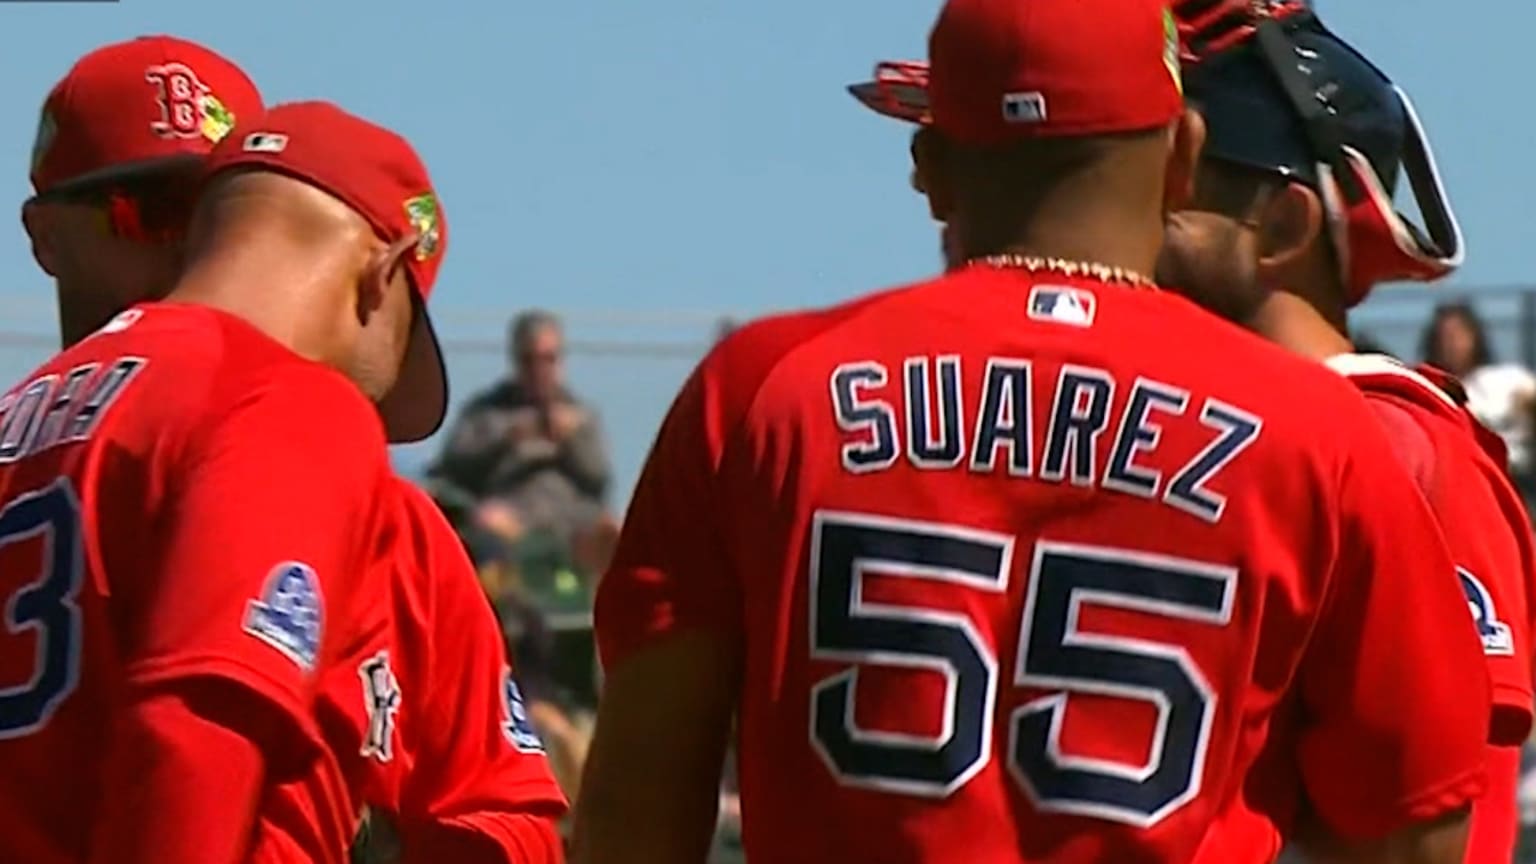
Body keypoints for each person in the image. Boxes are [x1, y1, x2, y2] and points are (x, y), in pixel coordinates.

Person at [575, 1, 1490, 862]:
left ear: (930, 168)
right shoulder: (1317, 429)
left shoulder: (760, 389)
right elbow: (1418, 831)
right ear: (1182, 155)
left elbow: (635, 812)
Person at [847, 4, 1536, 861]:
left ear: (1282, 228)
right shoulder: (1144, 428)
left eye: (1153, 183)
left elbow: (1438, 825)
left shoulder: (1395, 441)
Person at [15, 43, 566, 859]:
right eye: (150, 213)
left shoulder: (387, 514)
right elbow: (194, 736)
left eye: (205, 207)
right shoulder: (286, 407)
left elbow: (503, 813)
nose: (185, 248)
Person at [430, 310, 615, 566]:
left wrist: (573, 442)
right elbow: (451, 468)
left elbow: (600, 480)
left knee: (612, 533)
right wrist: (507, 438)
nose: (539, 370)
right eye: (530, 360)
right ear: (516, 360)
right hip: (509, 517)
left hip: (570, 522)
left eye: (548, 359)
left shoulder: (581, 415)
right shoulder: (487, 412)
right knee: (487, 528)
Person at [1422, 301, 1536, 494]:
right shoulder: (1427, 390)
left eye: (1458, 335)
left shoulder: (1507, 379)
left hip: (1516, 478)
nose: (1451, 344)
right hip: (1460, 483)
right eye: (1444, 337)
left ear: (1475, 338)